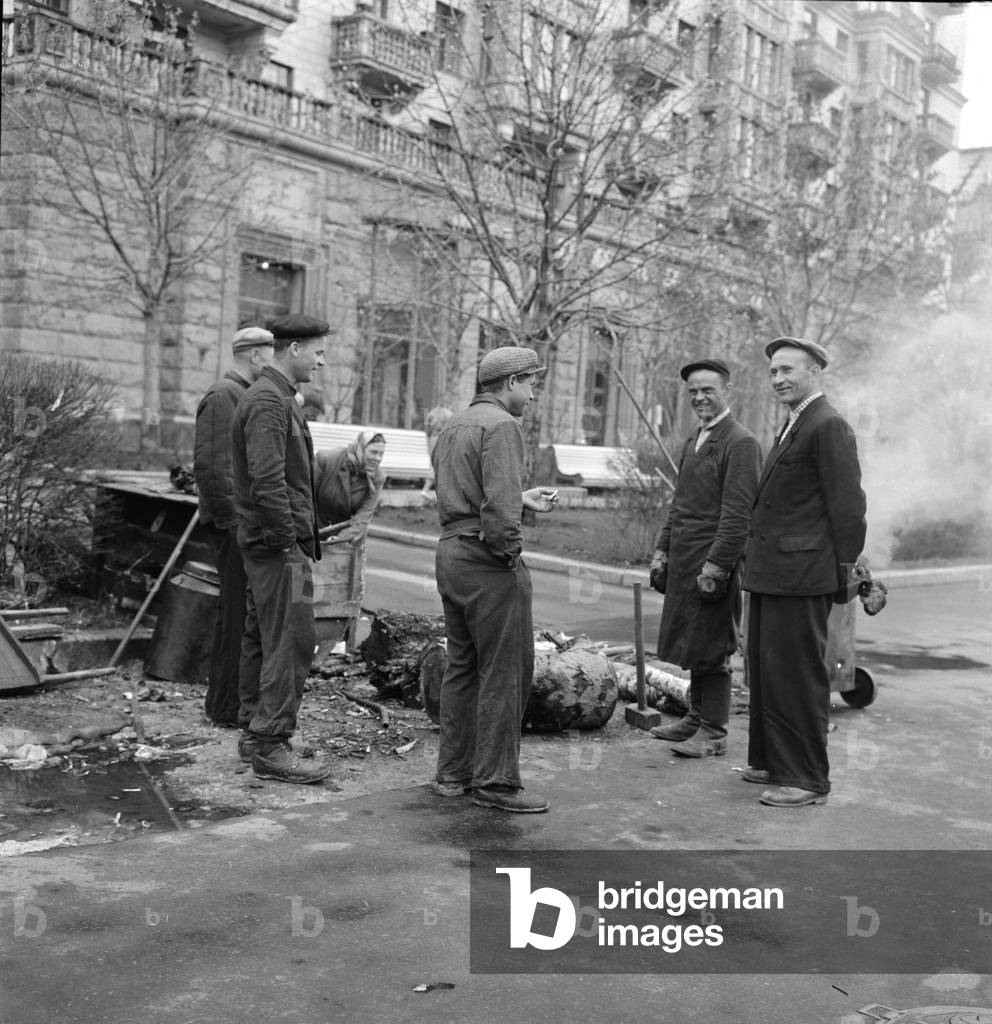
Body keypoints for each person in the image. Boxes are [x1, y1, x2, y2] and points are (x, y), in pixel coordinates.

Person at [431, 346, 559, 813]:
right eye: (530, 383)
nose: (532, 394)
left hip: (451, 553)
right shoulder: (503, 426)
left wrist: (519, 496)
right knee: (505, 672)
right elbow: (500, 516)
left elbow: (467, 489)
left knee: (462, 667)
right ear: (510, 383)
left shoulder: (454, 425)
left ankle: (453, 774)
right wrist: (509, 555)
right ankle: (496, 782)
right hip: (487, 561)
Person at [742, 337, 866, 808]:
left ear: (814, 371)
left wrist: (843, 573)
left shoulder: (828, 424)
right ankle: (772, 762)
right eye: (773, 372)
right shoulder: (797, 422)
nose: (778, 379)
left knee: (796, 676)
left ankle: (807, 778)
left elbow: (849, 509)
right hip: (773, 573)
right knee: (768, 672)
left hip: (802, 576)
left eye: (787, 370)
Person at [232, 313, 332, 785]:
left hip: (271, 544)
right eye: (317, 351)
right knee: (293, 638)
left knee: (264, 636)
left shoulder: (277, 397)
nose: (321, 360)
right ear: (293, 349)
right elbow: (267, 481)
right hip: (277, 547)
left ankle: (256, 734)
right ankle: (271, 744)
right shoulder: (269, 401)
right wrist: (286, 544)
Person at [648, 358, 761, 757]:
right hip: (685, 558)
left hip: (714, 562)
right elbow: (678, 505)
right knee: (693, 642)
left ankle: (713, 731)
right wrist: (662, 550)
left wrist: (717, 566)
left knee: (713, 645)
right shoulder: (695, 438)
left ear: (727, 391)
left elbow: (738, 515)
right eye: (693, 391)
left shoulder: (741, 442)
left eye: (708, 390)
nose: (699, 397)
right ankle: (695, 718)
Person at [193, 326, 275, 728]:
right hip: (232, 529)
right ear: (254, 356)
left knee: (242, 618)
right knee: (234, 618)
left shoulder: (243, 395)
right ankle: (224, 707)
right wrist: (233, 525)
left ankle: (232, 704)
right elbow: (211, 467)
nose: (272, 365)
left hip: (240, 527)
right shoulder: (224, 395)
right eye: (269, 357)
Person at [315, 430, 386, 543]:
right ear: (360, 449)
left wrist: (342, 538)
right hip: (311, 529)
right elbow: (304, 497)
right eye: (373, 452)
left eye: (381, 454)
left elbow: (364, 515)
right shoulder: (327, 459)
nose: (378, 458)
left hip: (346, 536)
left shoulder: (377, 477)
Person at [420, 402, 453, 504]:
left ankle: (435, 494)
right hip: (442, 439)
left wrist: (429, 437)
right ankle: (425, 491)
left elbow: (427, 428)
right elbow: (452, 429)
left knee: (435, 464)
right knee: (439, 465)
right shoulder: (448, 414)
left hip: (431, 439)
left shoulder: (431, 413)